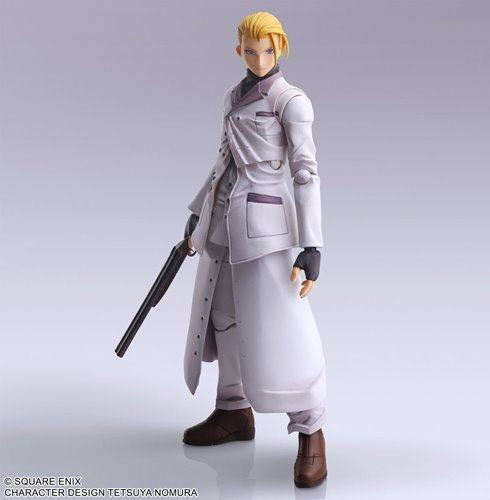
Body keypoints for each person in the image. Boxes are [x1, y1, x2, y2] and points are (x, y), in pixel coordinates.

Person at [182, 11, 327, 488]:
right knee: (223, 319)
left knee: (284, 327)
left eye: (267, 50)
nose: (259, 59)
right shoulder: (231, 97)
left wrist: (312, 243)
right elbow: (222, 163)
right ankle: (233, 410)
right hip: (224, 223)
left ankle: (311, 430)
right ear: (238, 50)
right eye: (250, 50)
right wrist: (199, 212)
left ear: (280, 48)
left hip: (267, 230)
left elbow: (305, 172)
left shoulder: (291, 101)